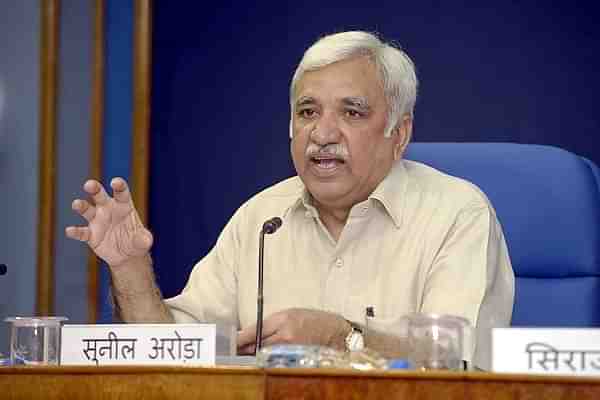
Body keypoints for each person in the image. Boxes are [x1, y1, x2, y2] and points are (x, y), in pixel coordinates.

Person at [66, 31, 514, 370]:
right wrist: (129, 268)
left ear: (399, 134)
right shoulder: (261, 218)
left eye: (352, 112)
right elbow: (167, 352)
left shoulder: (457, 213)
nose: (322, 134)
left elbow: (458, 359)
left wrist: (345, 338)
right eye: (308, 112)